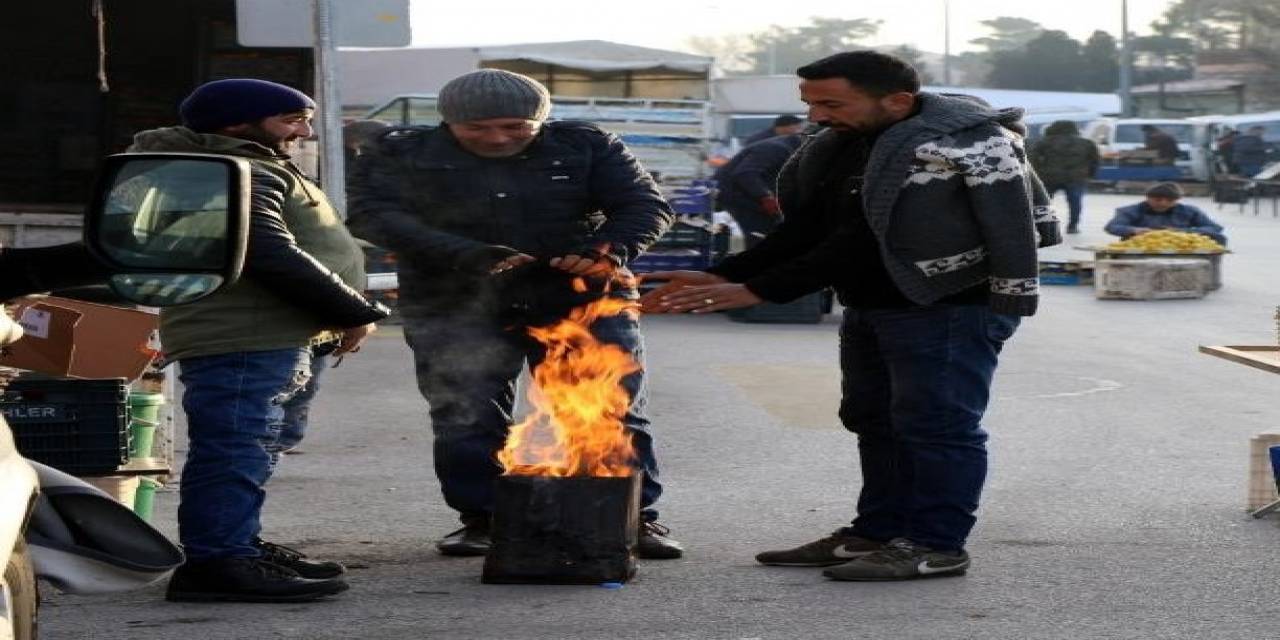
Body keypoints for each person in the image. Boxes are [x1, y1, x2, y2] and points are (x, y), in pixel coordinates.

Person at [640, 50, 1059, 581]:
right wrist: (729, 273)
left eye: (831, 103)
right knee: (875, 421)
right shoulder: (847, 143)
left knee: (938, 427)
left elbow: (866, 242)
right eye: (810, 103)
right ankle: (876, 533)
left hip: (946, 308)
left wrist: (760, 289)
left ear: (898, 101)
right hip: (873, 304)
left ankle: (936, 545)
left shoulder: (964, 143)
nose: (816, 116)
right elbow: (812, 229)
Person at [346, 69, 684, 559]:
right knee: (465, 415)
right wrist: (463, 252)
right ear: (448, 122)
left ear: (540, 120)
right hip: (454, 300)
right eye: (477, 129)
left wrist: (606, 252)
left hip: (579, 299)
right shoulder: (400, 151)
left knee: (607, 409)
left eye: (513, 127)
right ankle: (484, 518)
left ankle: (631, 515)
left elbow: (644, 206)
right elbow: (372, 215)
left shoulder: (589, 146)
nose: (496, 139)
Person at [128, 78, 390, 603]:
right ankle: (218, 564)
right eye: (292, 120)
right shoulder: (235, 171)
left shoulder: (240, 164)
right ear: (235, 124)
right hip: (243, 336)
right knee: (234, 450)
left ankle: (235, 544)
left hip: (264, 333)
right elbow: (266, 253)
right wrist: (355, 310)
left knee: (253, 448)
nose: (305, 131)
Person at [714, 133, 804, 247]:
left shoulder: (794, 152)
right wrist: (766, 197)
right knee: (760, 232)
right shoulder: (776, 149)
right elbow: (745, 174)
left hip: (749, 195)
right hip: (737, 195)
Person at [1029, 120, 1099, 234]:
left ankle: (1039, 224)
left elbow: (1033, 158)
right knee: (1075, 202)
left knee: (1043, 202)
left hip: (1049, 176)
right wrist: (1090, 175)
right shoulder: (1086, 143)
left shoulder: (1045, 142)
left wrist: (1037, 173)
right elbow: (1094, 161)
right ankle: (1072, 226)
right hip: (1076, 177)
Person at [1104, 182, 1227, 245]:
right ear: (1147, 198)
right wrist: (1134, 230)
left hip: (1180, 245)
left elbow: (1215, 228)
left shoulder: (1189, 211)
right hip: (1142, 246)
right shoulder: (1130, 210)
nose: (1163, 203)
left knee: (1219, 238)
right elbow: (1112, 227)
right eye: (1157, 200)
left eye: (1170, 201)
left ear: (1177, 201)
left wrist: (1183, 232)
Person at [741, 114, 806, 147]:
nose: (800, 130)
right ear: (787, 126)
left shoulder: (785, 138)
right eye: (798, 127)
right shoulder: (760, 140)